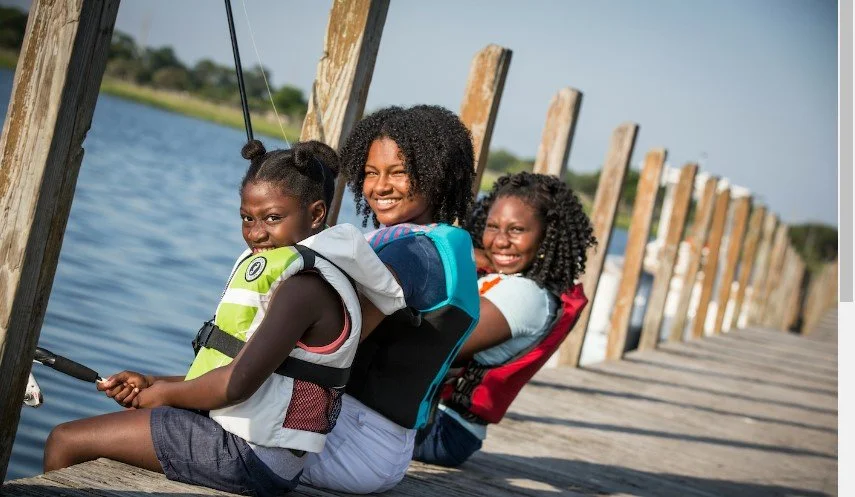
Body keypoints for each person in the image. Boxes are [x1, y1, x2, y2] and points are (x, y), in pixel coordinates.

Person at [42, 140, 405, 497]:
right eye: (247, 217)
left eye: (273, 218)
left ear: (315, 214)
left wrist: (162, 395)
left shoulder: (304, 289)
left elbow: (235, 386)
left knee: (66, 440)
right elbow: (252, 372)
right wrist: (153, 382)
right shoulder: (310, 277)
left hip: (248, 457)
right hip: (263, 456)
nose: (256, 232)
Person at [299, 105, 481, 493]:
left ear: (437, 174)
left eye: (399, 172)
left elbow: (331, 343)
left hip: (351, 444)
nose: (380, 187)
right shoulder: (438, 243)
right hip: (376, 445)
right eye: (369, 172)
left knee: (174, 423)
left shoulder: (412, 255)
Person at [412, 171, 597, 467]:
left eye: (516, 230)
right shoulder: (506, 280)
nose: (500, 241)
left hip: (442, 430)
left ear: (547, 236)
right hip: (435, 419)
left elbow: (435, 343)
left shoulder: (525, 296)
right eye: (493, 227)